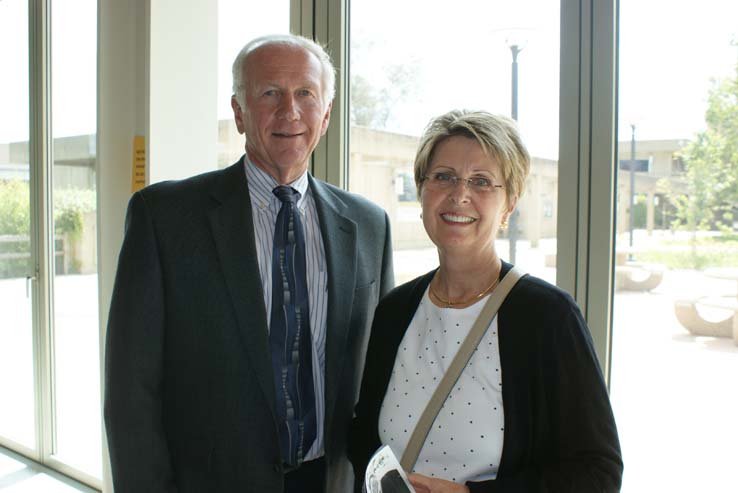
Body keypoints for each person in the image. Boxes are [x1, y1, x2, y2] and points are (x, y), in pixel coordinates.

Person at [104, 34, 394, 493]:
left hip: (330, 481)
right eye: (269, 93)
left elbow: (379, 382)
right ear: (239, 112)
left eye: (305, 94)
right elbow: (131, 395)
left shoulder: (368, 225)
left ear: (327, 113)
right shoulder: (164, 218)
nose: (289, 112)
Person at [349, 110, 623, 492]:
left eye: (481, 182)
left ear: (509, 205)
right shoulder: (395, 310)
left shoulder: (548, 317)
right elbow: (363, 434)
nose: (459, 194)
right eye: (443, 177)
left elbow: (598, 473)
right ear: (422, 190)